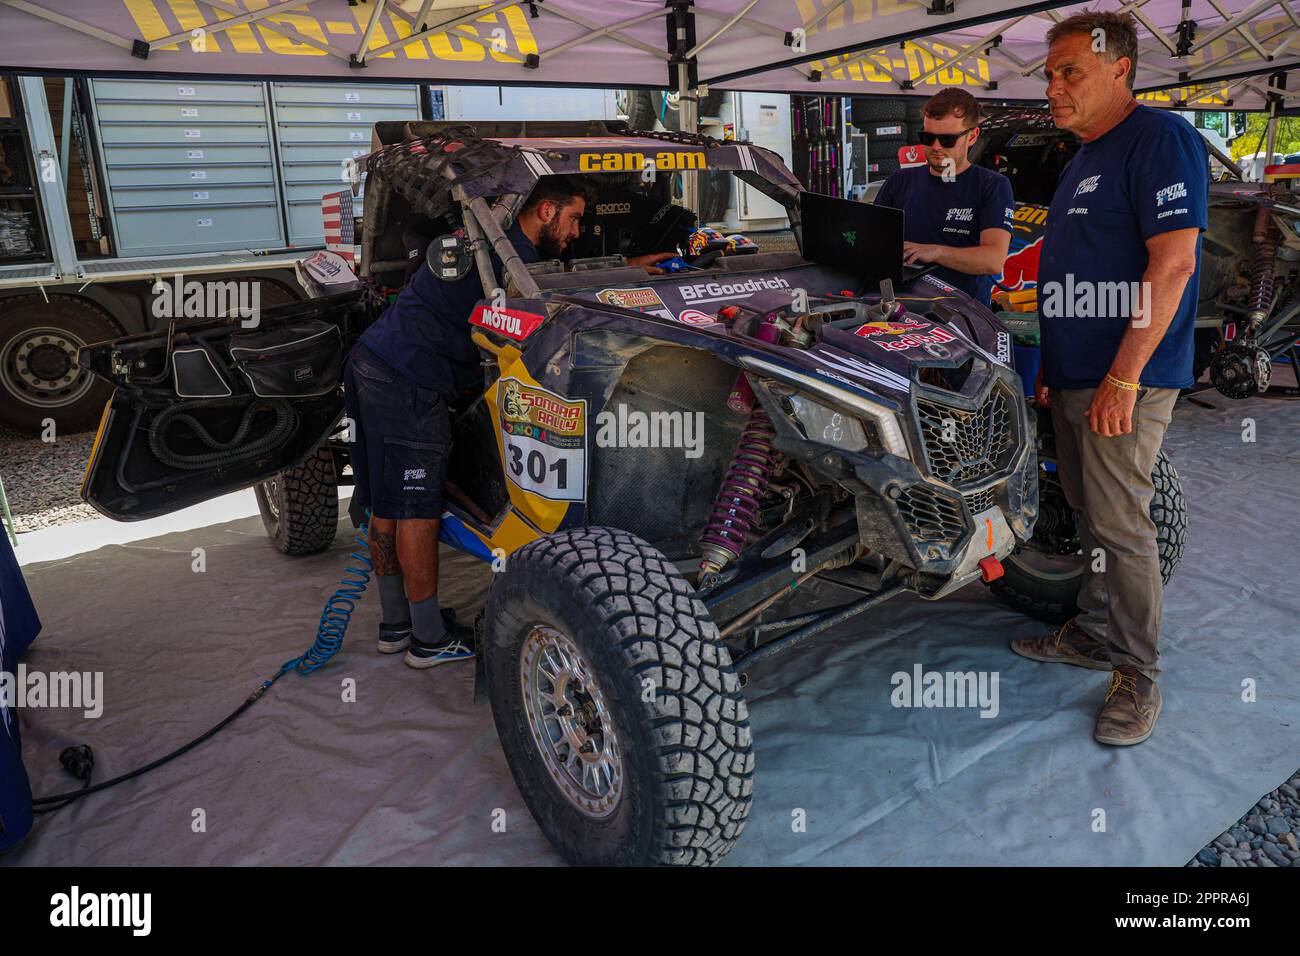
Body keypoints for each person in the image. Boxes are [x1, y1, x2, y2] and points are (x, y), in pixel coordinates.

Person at [346, 175, 674, 669]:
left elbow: (552, 278)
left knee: (387, 506)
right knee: (416, 508)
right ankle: (427, 639)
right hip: (405, 380)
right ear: (545, 211)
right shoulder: (496, 253)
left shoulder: (500, 242)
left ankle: (397, 625)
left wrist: (630, 267)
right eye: (575, 218)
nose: (578, 231)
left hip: (377, 364)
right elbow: (538, 303)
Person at [1009, 11, 1207, 746]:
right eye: (1049, 74)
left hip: (1128, 377)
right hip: (1077, 374)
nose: (1053, 88)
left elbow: (1175, 264)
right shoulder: (1083, 156)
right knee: (1094, 519)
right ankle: (1093, 633)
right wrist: (1054, 373)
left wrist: (1124, 378)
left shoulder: (1160, 140)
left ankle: (1137, 674)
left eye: (1069, 72)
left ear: (1119, 68)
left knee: (1123, 527)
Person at [873, 88, 1014, 304]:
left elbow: (993, 260)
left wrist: (936, 252)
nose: (936, 147)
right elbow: (870, 241)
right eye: (928, 137)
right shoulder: (899, 180)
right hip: (901, 309)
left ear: (972, 136)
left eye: (947, 140)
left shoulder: (991, 185)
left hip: (961, 315)